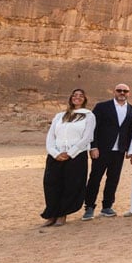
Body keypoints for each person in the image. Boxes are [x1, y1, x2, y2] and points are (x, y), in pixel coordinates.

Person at [41, 89, 96, 227]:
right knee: (51, 184)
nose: (77, 98)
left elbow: (87, 137)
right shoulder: (60, 116)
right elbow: (51, 136)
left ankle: (62, 215)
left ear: (84, 99)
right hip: (56, 156)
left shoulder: (88, 116)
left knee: (70, 185)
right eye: (75, 95)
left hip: (75, 156)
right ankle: (52, 214)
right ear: (71, 98)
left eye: (81, 96)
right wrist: (54, 153)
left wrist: (70, 153)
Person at [82, 83, 132, 220]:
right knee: (95, 178)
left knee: (113, 179)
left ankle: (107, 207)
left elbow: (130, 132)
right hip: (101, 150)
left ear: (129, 93)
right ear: (114, 92)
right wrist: (93, 147)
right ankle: (89, 207)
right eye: (119, 90)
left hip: (118, 151)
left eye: (125, 91)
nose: (122, 93)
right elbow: (93, 128)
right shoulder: (102, 107)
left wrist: (129, 150)